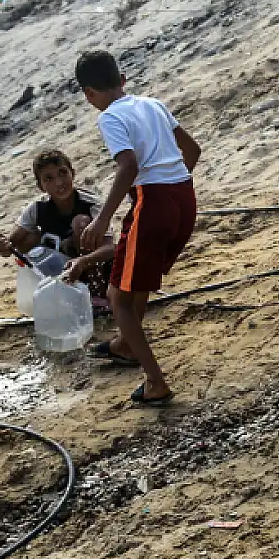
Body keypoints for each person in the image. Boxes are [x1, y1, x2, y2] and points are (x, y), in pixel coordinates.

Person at [74, 50, 201, 405]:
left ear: (88, 93)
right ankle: (127, 345)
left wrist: (102, 219)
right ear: (123, 80)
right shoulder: (153, 104)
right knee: (135, 280)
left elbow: (128, 165)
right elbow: (192, 149)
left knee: (118, 298)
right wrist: (173, 183)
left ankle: (155, 381)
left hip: (153, 201)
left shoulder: (110, 117)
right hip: (184, 198)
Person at [0, 148, 115, 308]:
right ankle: (61, 294)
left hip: (96, 268)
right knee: (29, 237)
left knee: (81, 222)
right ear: (41, 186)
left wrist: (83, 262)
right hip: (62, 269)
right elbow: (12, 245)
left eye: (62, 173)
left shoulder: (91, 204)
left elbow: (110, 248)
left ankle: (96, 294)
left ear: (72, 173)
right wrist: (2, 246)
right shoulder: (37, 208)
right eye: (49, 178)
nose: (58, 182)